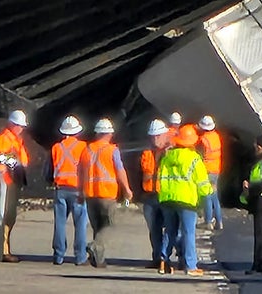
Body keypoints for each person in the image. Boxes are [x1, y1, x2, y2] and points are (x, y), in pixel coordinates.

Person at [157, 124, 214, 276]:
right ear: (192, 142)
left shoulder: (167, 157)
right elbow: (202, 183)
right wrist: (208, 193)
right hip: (187, 200)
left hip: (167, 198)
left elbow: (160, 178)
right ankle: (191, 266)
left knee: (170, 231)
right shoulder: (194, 159)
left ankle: (163, 261)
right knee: (188, 233)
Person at [83, 118, 133, 269]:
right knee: (108, 225)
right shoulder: (112, 150)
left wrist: (81, 192)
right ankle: (95, 246)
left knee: (97, 227)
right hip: (107, 193)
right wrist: (127, 190)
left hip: (90, 194)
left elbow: (81, 172)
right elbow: (119, 170)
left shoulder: (88, 149)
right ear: (109, 134)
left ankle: (99, 260)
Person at [0, 109, 31, 263]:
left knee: (11, 217)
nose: (21, 129)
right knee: (6, 216)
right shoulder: (3, 140)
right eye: (19, 126)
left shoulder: (15, 140)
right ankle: (3, 250)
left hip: (14, 182)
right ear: (12, 124)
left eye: (22, 126)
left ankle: (5, 248)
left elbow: (23, 160)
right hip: (7, 182)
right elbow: (0, 163)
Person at [49, 115, 89, 266]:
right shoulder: (83, 147)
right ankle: (80, 257)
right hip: (77, 189)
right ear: (77, 132)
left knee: (59, 223)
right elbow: (86, 169)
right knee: (80, 224)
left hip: (60, 189)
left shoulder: (56, 148)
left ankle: (58, 256)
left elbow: (50, 169)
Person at [240, 134, 262, 275]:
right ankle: (259, 263)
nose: (255, 149)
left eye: (256, 147)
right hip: (258, 199)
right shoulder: (260, 161)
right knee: (259, 234)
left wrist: (250, 187)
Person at [140, 118, 171, 269]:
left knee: (171, 229)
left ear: (165, 135)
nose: (155, 139)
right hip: (149, 196)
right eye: (152, 136)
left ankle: (167, 257)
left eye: (158, 135)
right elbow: (143, 173)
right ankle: (157, 258)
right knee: (154, 229)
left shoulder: (171, 152)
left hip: (166, 195)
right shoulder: (147, 153)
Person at [197, 115, 224, 231]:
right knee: (214, 196)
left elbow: (200, 155)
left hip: (206, 170)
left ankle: (208, 222)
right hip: (216, 169)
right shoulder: (216, 136)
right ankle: (219, 221)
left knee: (207, 196)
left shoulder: (203, 140)